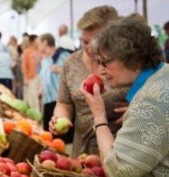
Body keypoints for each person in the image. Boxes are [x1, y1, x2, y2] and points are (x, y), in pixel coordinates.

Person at [80, 16, 167, 177]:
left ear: (132, 59)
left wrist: (99, 116)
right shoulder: (163, 75)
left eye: (106, 62)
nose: (101, 71)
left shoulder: (150, 99)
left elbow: (118, 171)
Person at [49, 5, 129, 157]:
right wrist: (60, 118)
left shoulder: (126, 63)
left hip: (121, 154)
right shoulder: (70, 63)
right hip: (82, 154)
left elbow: (152, 93)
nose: (87, 47)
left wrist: (137, 110)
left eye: (93, 42)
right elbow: (63, 103)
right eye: (83, 41)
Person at [38, 33, 70, 131]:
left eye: (40, 43)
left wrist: (59, 70)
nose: (38, 46)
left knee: (60, 130)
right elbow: (44, 78)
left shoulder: (62, 55)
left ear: (45, 42)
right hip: (47, 100)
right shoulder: (44, 59)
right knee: (49, 131)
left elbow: (72, 72)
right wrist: (40, 90)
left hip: (60, 100)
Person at [22, 34, 41, 112]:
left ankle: (40, 114)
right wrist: (25, 78)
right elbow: (24, 66)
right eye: (37, 40)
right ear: (33, 41)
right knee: (32, 97)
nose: (39, 41)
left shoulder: (40, 50)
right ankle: (34, 114)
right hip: (31, 77)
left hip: (40, 77)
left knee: (39, 97)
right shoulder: (27, 52)